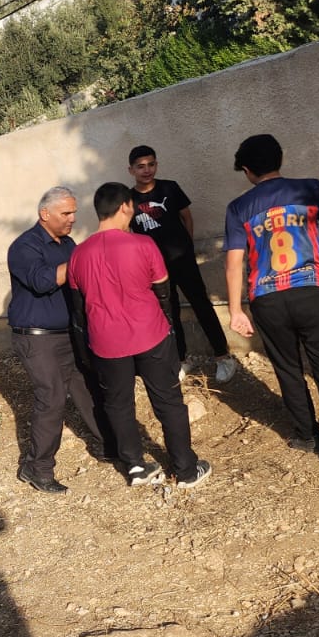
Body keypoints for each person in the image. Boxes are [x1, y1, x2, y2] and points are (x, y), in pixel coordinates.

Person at [224, 134, 319, 466]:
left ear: (247, 170)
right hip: (311, 290)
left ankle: (306, 436)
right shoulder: (312, 188)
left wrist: (235, 310)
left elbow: (233, 264)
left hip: (267, 299)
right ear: (280, 158)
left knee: (287, 368)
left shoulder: (238, 208)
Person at [70, 183, 212, 489]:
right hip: (151, 334)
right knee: (168, 402)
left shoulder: (78, 255)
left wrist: (85, 351)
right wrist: (169, 328)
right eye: (132, 207)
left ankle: (135, 467)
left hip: (106, 343)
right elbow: (163, 291)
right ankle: (186, 470)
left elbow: (78, 310)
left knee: (118, 405)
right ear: (125, 207)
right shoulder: (143, 244)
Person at [6, 186, 115, 494]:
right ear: (45, 214)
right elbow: (43, 282)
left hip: (69, 333)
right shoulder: (24, 246)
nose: (72, 218)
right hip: (37, 339)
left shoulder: (67, 244)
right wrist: (84, 258)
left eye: (74, 212)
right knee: (52, 397)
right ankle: (36, 468)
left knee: (87, 388)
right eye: (66, 213)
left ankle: (109, 445)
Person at [128, 145, 237, 383]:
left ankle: (223, 355)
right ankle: (181, 358)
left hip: (182, 260)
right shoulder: (128, 200)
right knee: (170, 312)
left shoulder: (169, 187)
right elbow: (130, 232)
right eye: (141, 166)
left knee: (201, 305)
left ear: (156, 165)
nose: (147, 170)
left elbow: (186, 216)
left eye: (151, 164)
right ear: (131, 170)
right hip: (155, 268)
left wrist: (186, 245)